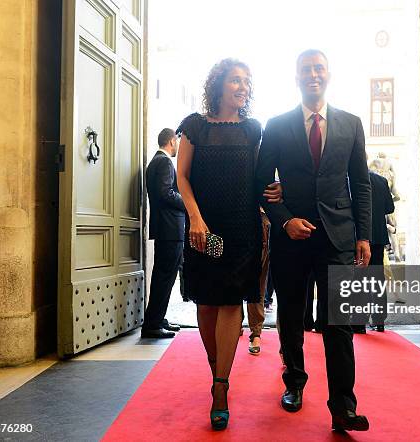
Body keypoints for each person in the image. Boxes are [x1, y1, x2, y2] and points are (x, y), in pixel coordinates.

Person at [256, 49, 372, 432]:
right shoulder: (276, 125)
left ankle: (343, 407)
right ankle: (294, 383)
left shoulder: (351, 124)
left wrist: (364, 235)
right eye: (306, 69)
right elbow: (260, 185)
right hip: (292, 239)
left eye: (319, 68)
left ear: (329, 74)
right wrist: (285, 220)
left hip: (339, 237)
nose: (313, 75)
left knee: (339, 322)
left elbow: (361, 184)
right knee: (290, 314)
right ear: (296, 77)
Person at [176, 58, 281, 431]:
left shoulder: (253, 129)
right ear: (219, 84)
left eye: (247, 82)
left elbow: (260, 180)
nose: (242, 87)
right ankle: (217, 368)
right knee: (207, 301)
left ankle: (220, 385)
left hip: (242, 228)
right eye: (236, 80)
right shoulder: (194, 127)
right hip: (203, 228)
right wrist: (196, 218)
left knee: (232, 299)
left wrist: (276, 192)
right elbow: (182, 178)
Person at [142, 128, 184, 338]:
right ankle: (152, 325)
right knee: (164, 277)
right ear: (171, 140)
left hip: (165, 228)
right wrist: (188, 204)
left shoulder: (155, 162)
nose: (178, 145)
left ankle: (158, 319)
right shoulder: (165, 162)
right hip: (170, 228)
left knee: (164, 276)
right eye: (176, 141)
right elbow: (166, 192)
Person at [353, 170, 394, 334]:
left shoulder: (350, 177)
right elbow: (389, 208)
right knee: (377, 279)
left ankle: (358, 322)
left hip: (357, 237)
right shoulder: (381, 180)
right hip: (377, 236)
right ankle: (379, 321)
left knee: (359, 280)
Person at [245, 210, 271, 355]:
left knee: (286, 288)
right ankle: (254, 333)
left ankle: (287, 344)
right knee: (255, 283)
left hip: (280, 219)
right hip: (254, 219)